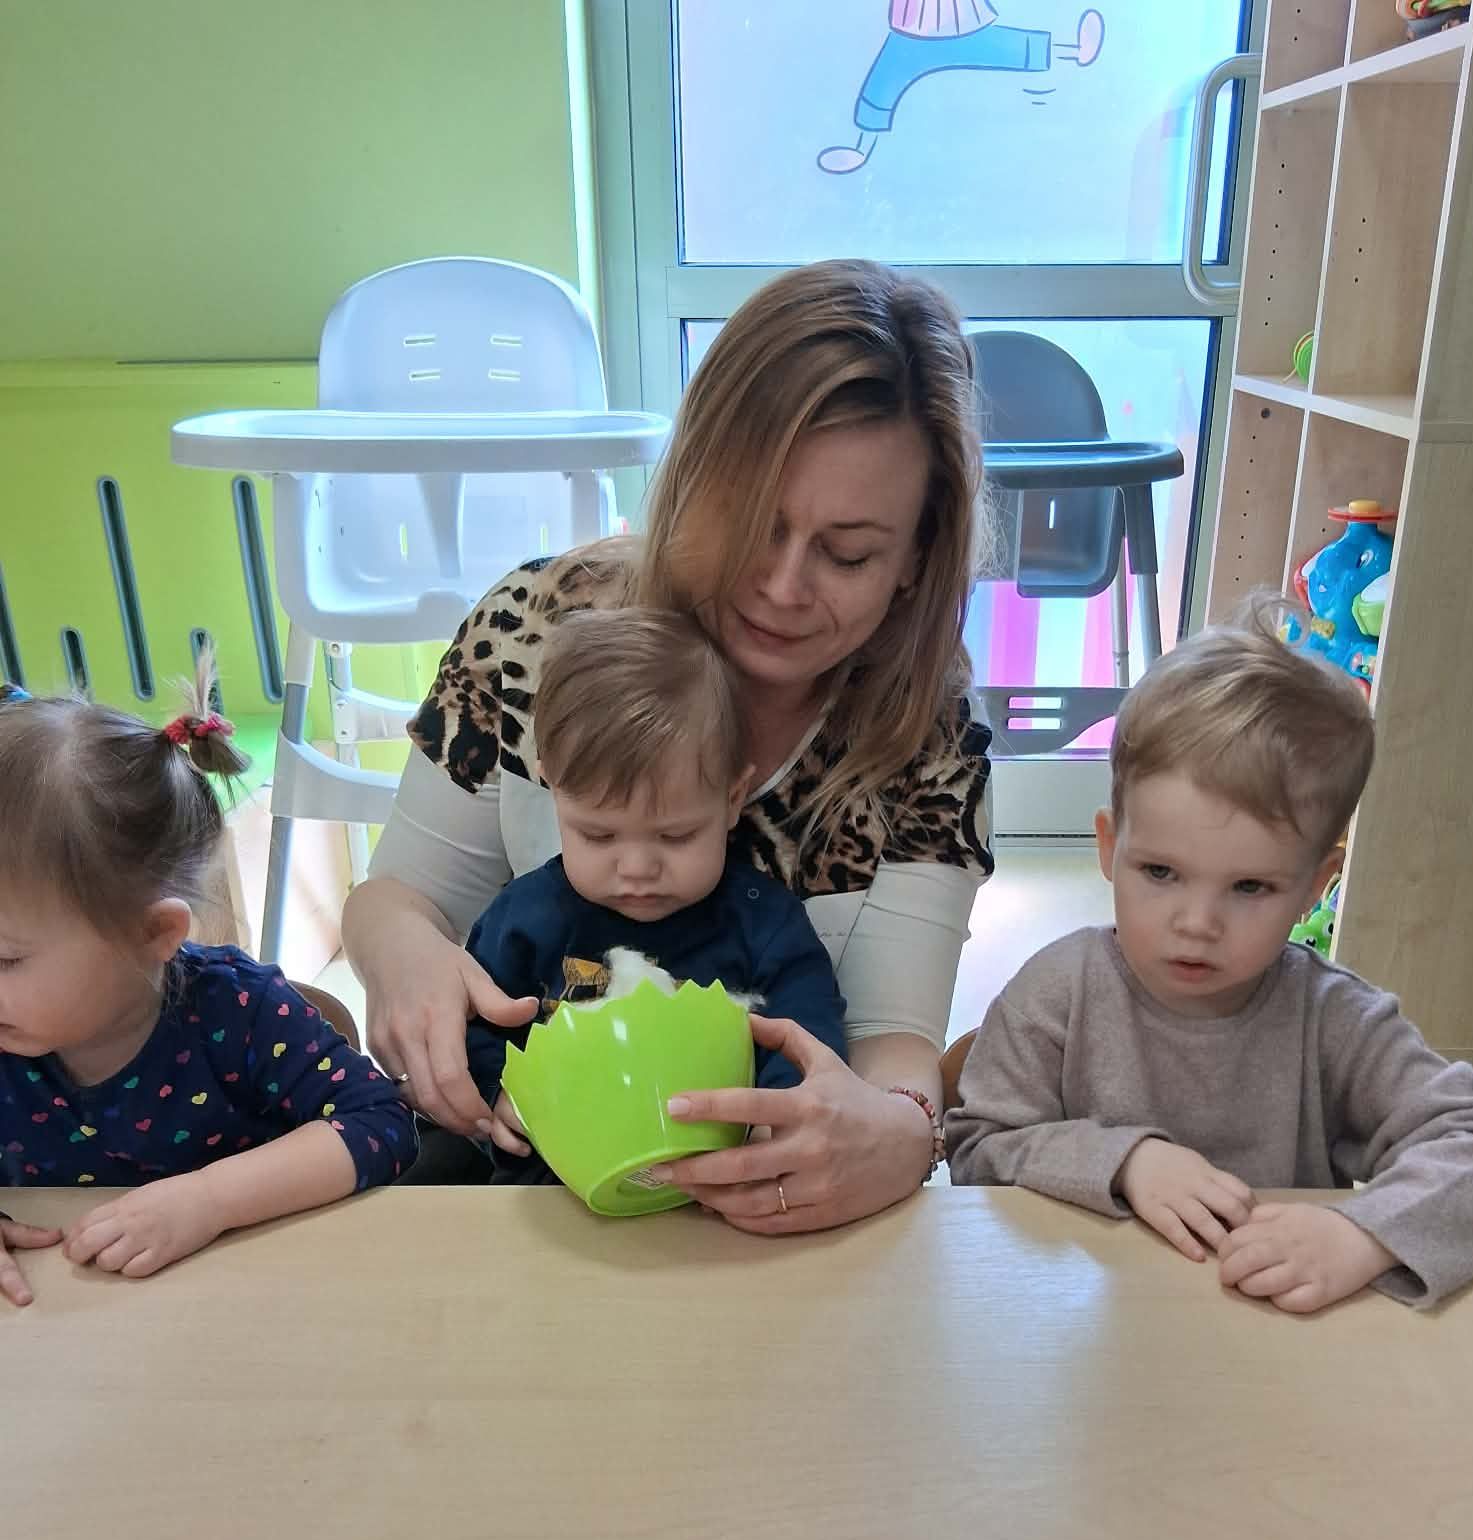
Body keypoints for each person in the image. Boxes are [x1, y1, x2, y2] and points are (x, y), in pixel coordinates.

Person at [345, 258, 995, 1234]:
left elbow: (894, 1038)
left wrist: (901, 1129)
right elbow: (398, 897)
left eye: (849, 553)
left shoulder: (925, 733)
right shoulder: (534, 629)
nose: (782, 586)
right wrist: (405, 958)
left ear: (915, 560)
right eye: (751, 522)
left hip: (763, 1221)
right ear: (690, 484)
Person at [946, 604, 1473, 1311]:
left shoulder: (1335, 1018)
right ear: (1109, 847)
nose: (1197, 924)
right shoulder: (1055, 994)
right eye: (1160, 872)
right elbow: (977, 1148)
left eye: (1250, 887)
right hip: (1088, 1327)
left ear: (1316, 886)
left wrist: (1363, 1234)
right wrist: (1125, 1160)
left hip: (1277, 1336)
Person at [0, 679, 415, 1306]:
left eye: (6, 958)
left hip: (255, 1304)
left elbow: (382, 1124)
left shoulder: (237, 1011)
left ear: (153, 933)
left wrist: (209, 1199)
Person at [462, 607, 847, 1186]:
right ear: (554, 790)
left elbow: (809, 1045)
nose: (638, 869)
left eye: (675, 836)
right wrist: (499, 1091)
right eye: (599, 835)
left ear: (733, 799)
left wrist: (782, 1121)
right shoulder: (524, 919)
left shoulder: (765, 926)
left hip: (727, 1191)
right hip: (552, 1186)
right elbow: (475, 1028)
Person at [818, 5, 1106, 176]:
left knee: (1004, 46)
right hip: (913, 30)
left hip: (962, 23)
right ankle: (861, 149)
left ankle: (1073, 50)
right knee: (882, 83)